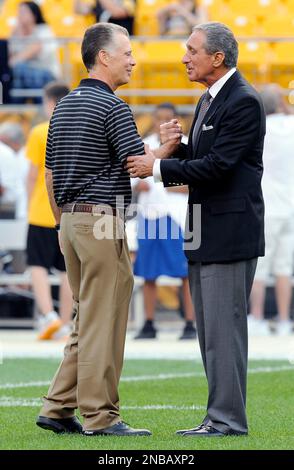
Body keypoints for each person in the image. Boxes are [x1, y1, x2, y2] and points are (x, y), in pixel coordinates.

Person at [36, 22, 180, 436]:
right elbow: (139, 165)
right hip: (101, 220)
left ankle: (58, 406)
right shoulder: (113, 106)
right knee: (105, 320)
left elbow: (49, 173)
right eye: (128, 52)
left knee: (87, 318)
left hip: (69, 221)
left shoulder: (62, 105)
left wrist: (62, 223)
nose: (134, 60)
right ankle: (102, 417)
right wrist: (166, 151)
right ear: (104, 56)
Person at [126, 22, 265, 437]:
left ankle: (227, 421)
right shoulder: (209, 99)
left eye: (192, 50)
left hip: (227, 233)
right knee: (210, 333)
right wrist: (177, 147)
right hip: (205, 229)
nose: (184, 57)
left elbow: (220, 167)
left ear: (217, 58)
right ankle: (218, 417)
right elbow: (208, 159)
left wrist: (158, 166)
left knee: (223, 332)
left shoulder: (242, 100)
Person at [133, 102, 196, 340]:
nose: (163, 124)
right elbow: (133, 175)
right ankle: (149, 323)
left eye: (168, 119)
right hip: (150, 214)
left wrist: (177, 188)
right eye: (159, 118)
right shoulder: (145, 143)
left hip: (177, 217)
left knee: (184, 271)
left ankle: (190, 322)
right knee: (148, 272)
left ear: (177, 120)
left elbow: (199, 177)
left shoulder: (188, 145)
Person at [26, 81, 73, 341]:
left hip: (41, 209)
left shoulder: (40, 131)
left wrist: (27, 201)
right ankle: (65, 324)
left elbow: (34, 174)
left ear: (50, 103)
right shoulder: (75, 129)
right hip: (66, 210)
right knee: (65, 269)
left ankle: (48, 315)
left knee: (37, 265)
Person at [249, 86, 294, 336]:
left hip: (266, 205)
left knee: (261, 267)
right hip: (290, 206)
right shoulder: (291, 125)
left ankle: (256, 318)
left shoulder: (260, 129)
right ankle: (285, 319)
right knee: (284, 268)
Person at [8, 1, 60, 103]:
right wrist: (18, 32)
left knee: (19, 68)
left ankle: (21, 108)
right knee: (16, 73)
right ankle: (17, 111)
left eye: (23, 12)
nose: (20, 15)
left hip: (46, 74)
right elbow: (10, 55)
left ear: (34, 14)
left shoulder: (43, 30)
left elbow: (33, 50)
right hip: (25, 76)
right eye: (19, 12)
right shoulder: (16, 32)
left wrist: (12, 62)